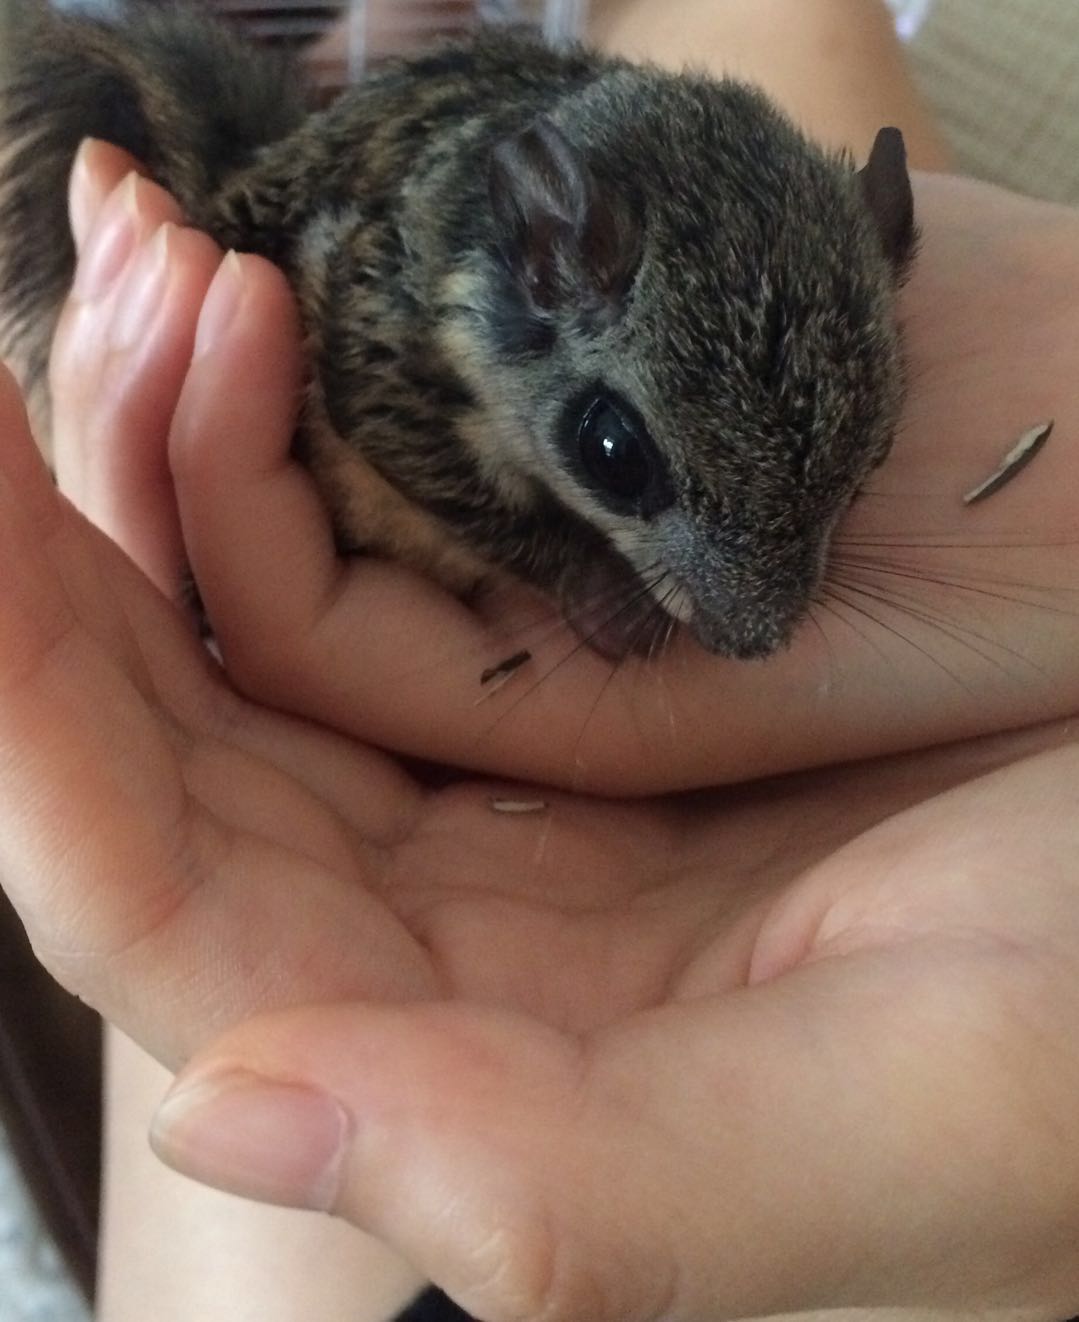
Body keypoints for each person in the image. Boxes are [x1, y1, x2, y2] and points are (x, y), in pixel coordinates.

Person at [2, 1, 1078, 1319]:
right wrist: (570, 561)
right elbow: (377, 423)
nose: (755, 630)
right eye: (624, 458)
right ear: (540, 266)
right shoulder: (417, 312)